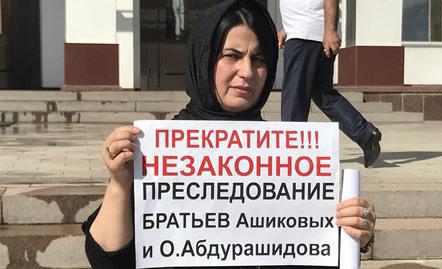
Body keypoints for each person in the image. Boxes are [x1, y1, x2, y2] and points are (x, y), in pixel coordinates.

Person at [82, 1, 376, 268]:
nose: (247, 71)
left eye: (259, 59)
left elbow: (309, 253)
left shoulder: (289, 156)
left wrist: (353, 235)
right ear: (204, 59)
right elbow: (107, 259)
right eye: (232, 56)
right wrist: (120, 184)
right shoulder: (160, 151)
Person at [278, 0, 382, 168]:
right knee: (323, 94)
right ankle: (365, 133)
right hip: (305, 33)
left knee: (294, 98)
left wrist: (330, 30)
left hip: (306, 38)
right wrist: (287, 28)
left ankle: (290, 157)